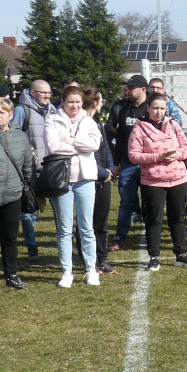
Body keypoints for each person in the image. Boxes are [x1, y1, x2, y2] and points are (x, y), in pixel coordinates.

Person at [127, 91, 187, 270]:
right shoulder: (140, 127)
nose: (159, 112)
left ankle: (181, 254)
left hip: (178, 179)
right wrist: (159, 157)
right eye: (155, 108)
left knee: (178, 217)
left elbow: (186, 148)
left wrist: (176, 155)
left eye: (162, 108)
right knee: (154, 219)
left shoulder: (173, 124)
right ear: (148, 108)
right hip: (153, 181)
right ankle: (154, 256)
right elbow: (134, 155)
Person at [44, 85, 102, 288]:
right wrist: (79, 146)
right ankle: (66, 271)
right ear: (62, 102)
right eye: (70, 102)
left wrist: (69, 141)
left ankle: (91, 270)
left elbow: (94, 145)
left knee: (87, 227)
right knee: (64, 228)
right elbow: (53, 146)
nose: (74, 106)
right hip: (62, 180)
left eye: (78, 102)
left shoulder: (89, 121)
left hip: (85, 179)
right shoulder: (52, 120)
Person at [0, 96, 34, 292]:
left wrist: (27, 184)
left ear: (11, 115)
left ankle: (11, 275)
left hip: (13, 194)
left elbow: (27, 164)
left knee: (10, 238)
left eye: (2, 112)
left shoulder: (20, 136)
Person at [11, 78, 57, 263]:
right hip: (30, 169)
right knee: (29, 211)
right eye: (43, 92)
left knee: (59, 208)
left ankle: (67, 244)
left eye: (49, 92)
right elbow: (14, 136)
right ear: (32, 93)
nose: (47, 96)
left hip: (51, 168)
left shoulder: (53, 111)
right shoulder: (22, 110)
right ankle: (32, 248)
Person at [107, 75, 149, 251]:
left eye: (132, 88)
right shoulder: (123, 108)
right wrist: (116, 163)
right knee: (125, 203)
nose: (128, 91)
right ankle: (120, 238)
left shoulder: (151, 107)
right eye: (128, 87)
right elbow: (120, 140)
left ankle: (152, 237)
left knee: (149, 202)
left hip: (148, 164)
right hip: (128, 164)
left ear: (143, 89)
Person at [83, 88, 116, 275]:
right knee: (87, 221)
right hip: (90, 177)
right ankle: (89, 261)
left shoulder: (97, 122)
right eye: (101, 101)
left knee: (102, 220)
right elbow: (87, 155)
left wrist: (110, 169)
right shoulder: (82, 123)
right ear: (95, 103)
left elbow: (106, 148)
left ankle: (102, 258)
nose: (102, 104)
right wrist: (102, 172)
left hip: (104, 177)